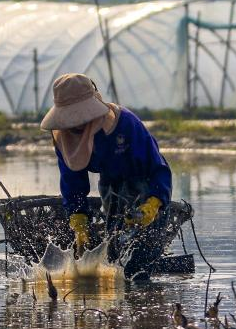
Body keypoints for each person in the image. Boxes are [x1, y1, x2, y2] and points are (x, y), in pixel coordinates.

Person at [40, 73, 173, 277]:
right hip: (110, 184)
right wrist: (78, 218)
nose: (77, 124)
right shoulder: (64, 136)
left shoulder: (125, 124)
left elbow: (158, 167)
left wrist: (154, 203)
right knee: (115, 244)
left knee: (142, 253)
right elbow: (72, 179)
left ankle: (142, 277)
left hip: (145, 183)